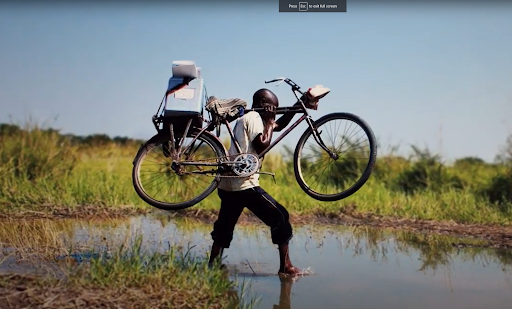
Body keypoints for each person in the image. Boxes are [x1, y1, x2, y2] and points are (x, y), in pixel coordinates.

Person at [208, 88, 302, 276]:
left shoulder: (254, 119)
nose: (273, 111)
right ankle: (286, 266)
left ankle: (213, 265)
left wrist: (299, 105)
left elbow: (279, 125)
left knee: (225, 224)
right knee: (280, 217)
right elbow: (261, 144)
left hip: (229, 184)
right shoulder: (253, 118)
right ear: (261, 105)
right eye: (271, 107)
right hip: (244, 184)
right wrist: (269, 120)